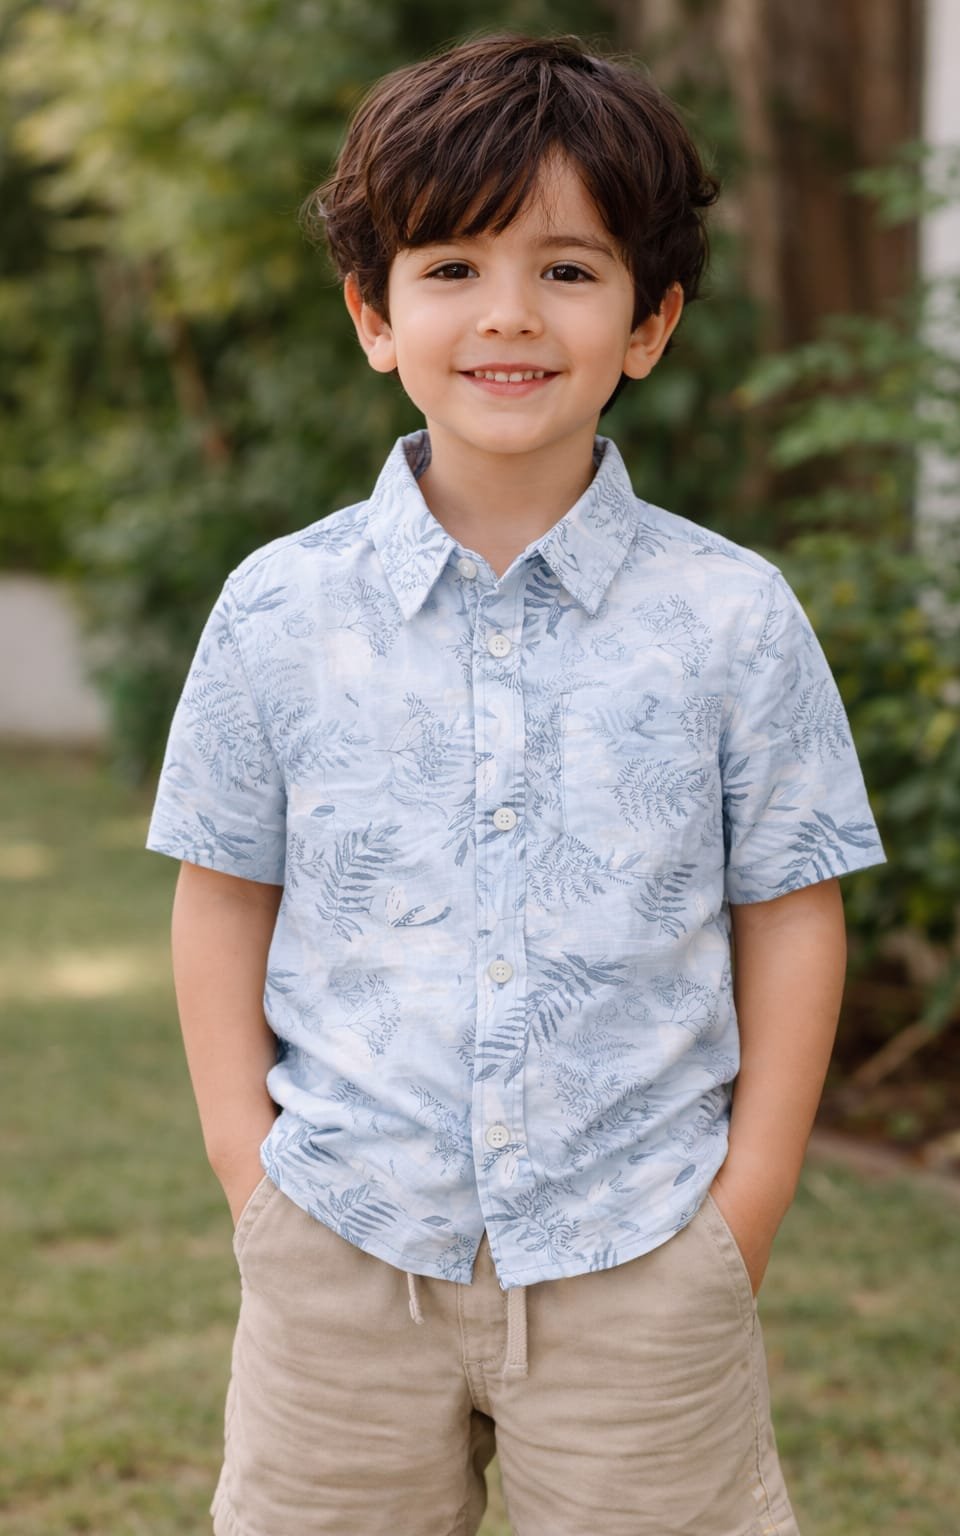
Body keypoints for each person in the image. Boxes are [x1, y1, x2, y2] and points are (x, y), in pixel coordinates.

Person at [145, 31, 886, 1536]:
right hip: (342, 1249)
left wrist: (740, 1215)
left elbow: (793, 910)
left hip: (642, 1257)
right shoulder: (278, 610)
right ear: (374, 315)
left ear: (650, 322)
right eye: (452, 267)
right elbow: (223, 892)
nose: (509, 314)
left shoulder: (732, 616)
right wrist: (251, 1176)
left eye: (567, 269)